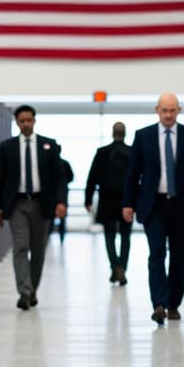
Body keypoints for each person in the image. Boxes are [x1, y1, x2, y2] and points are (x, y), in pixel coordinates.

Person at [122, 93, 184, 325]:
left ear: (178, 111)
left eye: (172, 111)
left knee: (178, 255)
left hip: (182, 205)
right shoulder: (143, 136)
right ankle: (159, 304)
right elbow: (132, 173)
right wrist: (128, 204)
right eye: (164, 111)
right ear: (157, 110)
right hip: (154, 205)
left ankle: (173, 304)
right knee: (157, 252)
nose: (169, 115)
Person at [0, 104, 67, 311]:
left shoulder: (48, 146)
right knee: (20, 246)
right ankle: (24, 291)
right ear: (17, 122)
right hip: (17, 204)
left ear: (34, 121)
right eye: (22, 121)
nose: (26, 124)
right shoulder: (7, 147)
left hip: (41, 203)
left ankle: (33, 288)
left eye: (29, 120)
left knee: (38, 250)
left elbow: (59, 177)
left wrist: (61, 202)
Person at [85, 122, 132, 285]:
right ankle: (122, 268)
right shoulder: (131, 152)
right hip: (127, 201)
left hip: (107, 199)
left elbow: (92, 177)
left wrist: (88, 199)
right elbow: (137, 178)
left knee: (109, 236)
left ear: (113, 133)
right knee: (126, 236)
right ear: (125, 133)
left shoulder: (102, 153)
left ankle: (115, 266)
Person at [55, 159, 74, 243]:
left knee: (57, 217)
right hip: (62, 193)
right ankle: (61, 237)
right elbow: (71, 177)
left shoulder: (63, 163)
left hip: (58, 194)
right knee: (62, 218)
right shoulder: (65, 163)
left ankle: (55, 236)